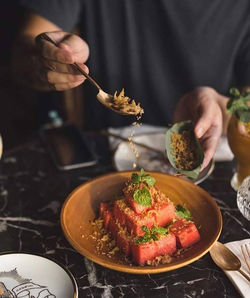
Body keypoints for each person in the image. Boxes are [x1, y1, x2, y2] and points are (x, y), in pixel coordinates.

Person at [12, 0, 250, 170]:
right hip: (102, 159)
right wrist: (46, 58)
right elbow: (25, 48)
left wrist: (221, 106)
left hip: (206, 163)